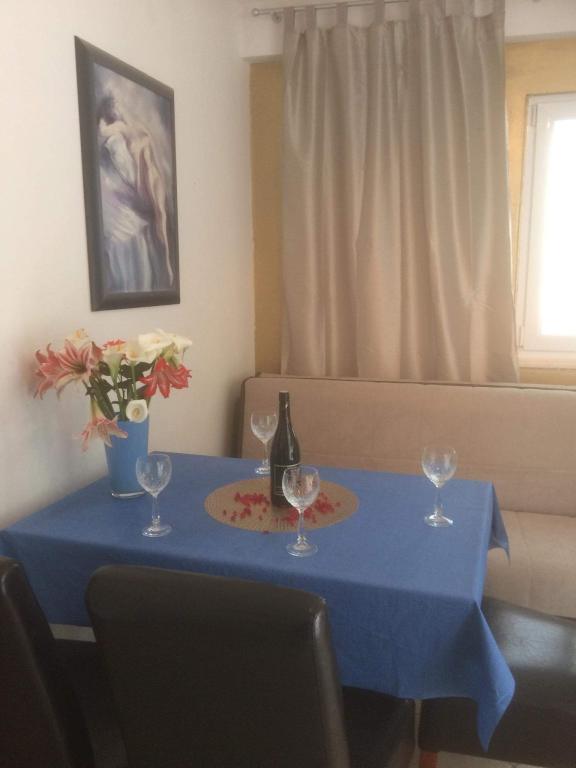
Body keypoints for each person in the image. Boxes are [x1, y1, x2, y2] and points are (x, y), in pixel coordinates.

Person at [97, 93, 174, 293]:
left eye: (116, 106)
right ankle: (167, 265)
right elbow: (103, 130)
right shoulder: (126, 130)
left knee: (161, 218)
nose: (116, 110)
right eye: (113, 107)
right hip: (141, 185)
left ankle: (167, 264)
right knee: (159, 218)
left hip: (148, 181)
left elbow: (103, 130)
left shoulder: (133, 131)